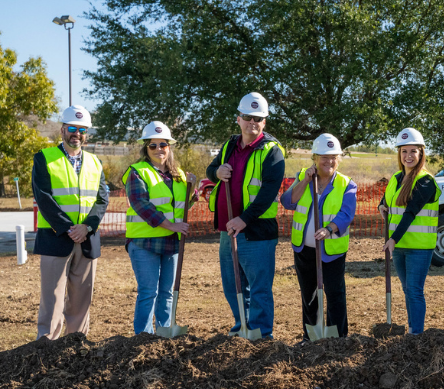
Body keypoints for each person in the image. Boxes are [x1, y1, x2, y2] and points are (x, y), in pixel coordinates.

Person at [206, 92, 286, 338]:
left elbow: (268, 192)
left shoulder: (272, 151)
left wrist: (244, 219)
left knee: (259, 287)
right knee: (233, 285)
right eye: (248, 117)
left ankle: (261, 334)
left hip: (256, 231)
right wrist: (216, 172)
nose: (253, 122)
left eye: (258, 118)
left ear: (264, 122)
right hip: (228, 228)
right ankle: (242, 327)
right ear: (238, 118)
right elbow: (211, 169)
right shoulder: (229, 145)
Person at [31, 105, 109, 340]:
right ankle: (47, 345)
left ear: (87, 134)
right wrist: (68, 228)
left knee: (82, 298)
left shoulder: (95, 162)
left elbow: (101, 199)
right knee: (52, 298)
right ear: (62, 130)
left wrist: (87, 227)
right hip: (55, 237)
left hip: (87, 239)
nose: (77, 134)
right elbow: (43, 197)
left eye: (82, 130)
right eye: (72, 129)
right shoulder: (44, 157)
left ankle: (76, 345)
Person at [122, 121, 199, 334]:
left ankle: (164, 333)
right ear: (146, 148)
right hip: (144, 242)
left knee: (167, 293)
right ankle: (143, 337)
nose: (159, 149)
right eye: (153, 145)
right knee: (148, 292)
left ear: (169, 147)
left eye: (163, 144)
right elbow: (142, 206)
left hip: (171, 242)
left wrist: (192, 190)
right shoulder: (137, 172)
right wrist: (172, 225)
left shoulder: (178, 174)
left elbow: (182, 206)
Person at [280, 133, 357, 340]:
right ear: (314, 158)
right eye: (324, 157)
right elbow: (288, 202)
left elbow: (346, 214)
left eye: (333, 157)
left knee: (335, 294)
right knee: (309, 296)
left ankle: (337, 337)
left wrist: (329, 229)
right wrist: (306, 180)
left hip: (331, 251)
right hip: (303, 250)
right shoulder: (303, 177)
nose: (329, 161)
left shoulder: (346, 184)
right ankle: (310, 337)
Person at [378, 128, 441, 334]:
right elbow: (386, 200)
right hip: (399, 246)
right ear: (399, 153)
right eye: (404, 151)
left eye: (413, 151)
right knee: (407, 290)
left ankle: (417, 334)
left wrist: (393, 239)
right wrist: (381, 206)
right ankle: (414, 329)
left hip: (418, 247)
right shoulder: (396, 177)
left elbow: (410, 212)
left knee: (414, 291)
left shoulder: (426, 181)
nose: (408, 156)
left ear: (421, 153)